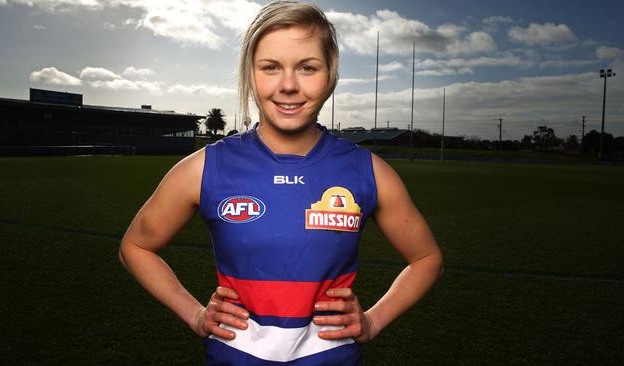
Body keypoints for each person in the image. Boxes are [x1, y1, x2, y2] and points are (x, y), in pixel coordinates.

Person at [119, 1, 443, 364]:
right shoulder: (205, 167)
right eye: (270, 67)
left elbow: (427, 257)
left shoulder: (368, 171)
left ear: (330, 74)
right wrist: (194, 313)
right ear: (250, 74)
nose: (288, 85)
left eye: (307, 67)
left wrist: (373, 320)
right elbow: (136, 247)